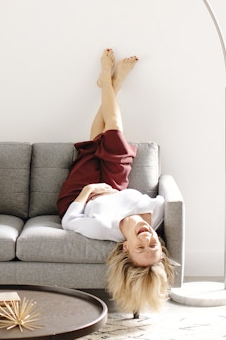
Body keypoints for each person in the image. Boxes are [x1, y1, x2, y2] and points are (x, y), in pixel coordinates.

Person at [57, 48, 177, 317]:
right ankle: (110, 85)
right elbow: (168, 196)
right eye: (153, 245)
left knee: (101, 138)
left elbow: (68, 221)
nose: (147, 239)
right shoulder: (157, 213)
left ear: (126, 247)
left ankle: (109, 80)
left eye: (140, 247)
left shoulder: (103, 229)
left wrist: (88, 190)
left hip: (82, 195)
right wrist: (110, 189)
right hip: (114, 187)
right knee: (112, 137)